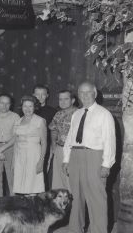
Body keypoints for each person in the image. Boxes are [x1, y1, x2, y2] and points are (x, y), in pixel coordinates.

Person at [63, 82, 116, 233]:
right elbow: (70, 138)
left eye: (88, 92)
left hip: (94, 156)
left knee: (96, 198)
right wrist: (66, 159)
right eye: (81, 93)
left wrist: (107, 164)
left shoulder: (104, 114)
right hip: (75, 156)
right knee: (75, 197)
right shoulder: (77, 113)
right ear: (78, 95)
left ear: (95, 94)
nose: (85, 96)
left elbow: (109, 140)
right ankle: (75, 229)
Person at [12, 96, 47, 194]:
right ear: (21, 107)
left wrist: (41, 161)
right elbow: (16, 141)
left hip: (33, 154)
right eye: (25, 106)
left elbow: (44, 143)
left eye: (30, 106)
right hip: (20, 155)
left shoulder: (40, 121)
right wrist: (14, 161)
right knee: (20, 185)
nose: (27, 109)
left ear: (34, 107)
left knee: (33, 185)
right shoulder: (18, 121)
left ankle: (32, 207)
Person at [49, 90, 77, 190]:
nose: (63, 102)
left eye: (66, 99)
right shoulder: (58, 114)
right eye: (60, 99)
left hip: (72, 151)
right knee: (58, 181)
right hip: (59, 149)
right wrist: (53, 146)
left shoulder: (78, 114)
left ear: (72, 100)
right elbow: (53, 129)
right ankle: (59, 205)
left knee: (70, 180)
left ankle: (73, 205)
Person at [33, 84, 57, 190]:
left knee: (43, 173)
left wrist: (52, 147)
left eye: (43, 94)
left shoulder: (52, 111)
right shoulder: (28, 109)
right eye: (37, 94)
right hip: (30, 146)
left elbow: (54, 131)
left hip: (45, 147)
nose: (40, 97)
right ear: (33, 95)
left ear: (47, 95)